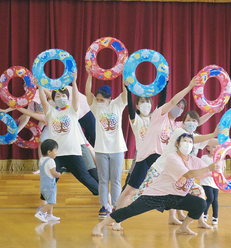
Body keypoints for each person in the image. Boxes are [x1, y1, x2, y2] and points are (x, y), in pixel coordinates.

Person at [114, 76, 214, 217]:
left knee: (173, 187)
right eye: (177, 106)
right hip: (146, 157)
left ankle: (173, 217)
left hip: (161, 162)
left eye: (182, 108)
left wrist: (213, 112)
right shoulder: (160, 115)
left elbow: (196, 123)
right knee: (130, 190)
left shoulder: (177, 125)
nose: (179, 108)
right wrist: (190, 86)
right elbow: (172, 100)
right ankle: (116, 218)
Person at [92, 133, 221, 237]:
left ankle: (184, 227)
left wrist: (219, 173)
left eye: (190, 142)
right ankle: (100, 226)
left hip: (176, 196)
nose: (188, 144)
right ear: (177, 143)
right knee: (130, 210)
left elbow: (205, 173)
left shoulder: (194, 160)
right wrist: (209, 168)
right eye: (185, 141)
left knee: (200, 204)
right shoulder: (172, 157)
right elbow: (188, 174)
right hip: (157, 194)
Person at [85, 66, 127, 218]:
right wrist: (90, 75)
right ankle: (104, 206)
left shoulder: (118, 105)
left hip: (117, 148)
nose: (99, 102)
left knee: (115, 179)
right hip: (101, 149)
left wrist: (123, 75)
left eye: (102, 100)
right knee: (103, 180)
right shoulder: (96, 107)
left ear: (110, 98)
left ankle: (115, 206)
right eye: (97, 99)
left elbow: (125, 92)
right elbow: (87, 94)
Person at [35, 139, 61, 223]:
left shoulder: (42, 159)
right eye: (55, 151)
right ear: (49, 152)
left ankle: (50, 215)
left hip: (43, 185)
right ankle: (41, 213)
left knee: (50, 200)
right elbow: (53, 172)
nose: (56, 153)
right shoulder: (51, 161)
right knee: (51, 202)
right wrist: (58, 174)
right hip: (49, 185)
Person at [200, 139, 220, 225]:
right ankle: (204, 214)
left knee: (215, 200)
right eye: (213, 147)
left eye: (216, 148)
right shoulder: (204, 158)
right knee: (210, 198)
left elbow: (220, 170)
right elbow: (202, 168)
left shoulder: (219, 159)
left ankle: (215, 217)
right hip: (206, 181)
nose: (215, 149)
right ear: (208, 148)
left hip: (215, 183)